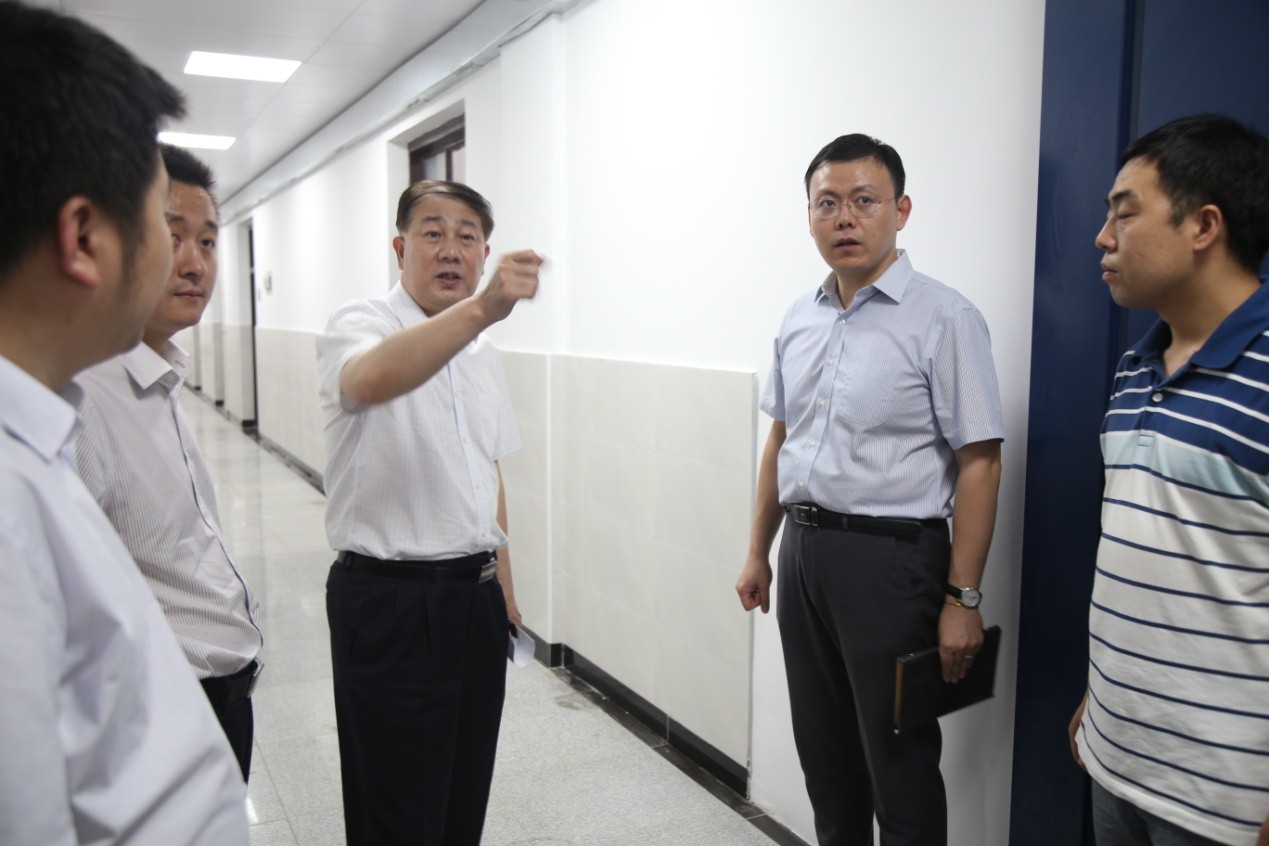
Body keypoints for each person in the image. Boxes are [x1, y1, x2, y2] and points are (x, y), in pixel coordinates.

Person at [0, 3, 249, 844]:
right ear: (84, 238)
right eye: (159, 222)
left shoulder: (38, 434)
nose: (185, 259)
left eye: (207, 239)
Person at [735, 133, 1004, 846]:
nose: (844, 218)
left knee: (899, 766)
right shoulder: (800, 317)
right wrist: (759, 551)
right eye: (827, 203)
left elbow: (980, 462)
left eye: (863, 200)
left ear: (900, 211)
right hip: (803, 554)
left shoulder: (945, 318)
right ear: (808, 217)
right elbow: (781, 439)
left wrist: (962, 599)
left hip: (891, 563)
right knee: (825, 760)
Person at [316, 179, 542, 845]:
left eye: (466, 237)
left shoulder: (483, 354)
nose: (451, 250)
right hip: (390, 603)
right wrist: (482, 310)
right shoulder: (359, 324)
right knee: (396, 814)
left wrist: (504, 589)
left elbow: (488, 469)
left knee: (460, 800)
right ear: (400, 248)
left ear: (484, 253)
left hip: (473, 603)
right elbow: (367, 380)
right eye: (433, 233)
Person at [1068, 114, 1269, 846]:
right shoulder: (1135, 368)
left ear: (1203, 225)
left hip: (1225, 798)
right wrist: (1100, 697)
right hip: (1116, 757)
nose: (1103, 237)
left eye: (1124, 214)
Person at [74, 144, 264, 783]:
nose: (194, 263)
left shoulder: (156, 377)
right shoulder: (83, 397)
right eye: (171, 235)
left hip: (211, 706)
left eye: (207, 242)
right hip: (156, 724)